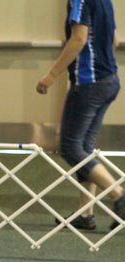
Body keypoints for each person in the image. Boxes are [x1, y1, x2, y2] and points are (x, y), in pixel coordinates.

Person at [37, 0, 125, 231]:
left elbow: (78, 38)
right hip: (109, 80)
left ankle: (119, 195)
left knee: (70, 148)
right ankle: (85, 213)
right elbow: (113, 40)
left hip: (89, 84)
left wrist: (51, 75)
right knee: (84, 150)